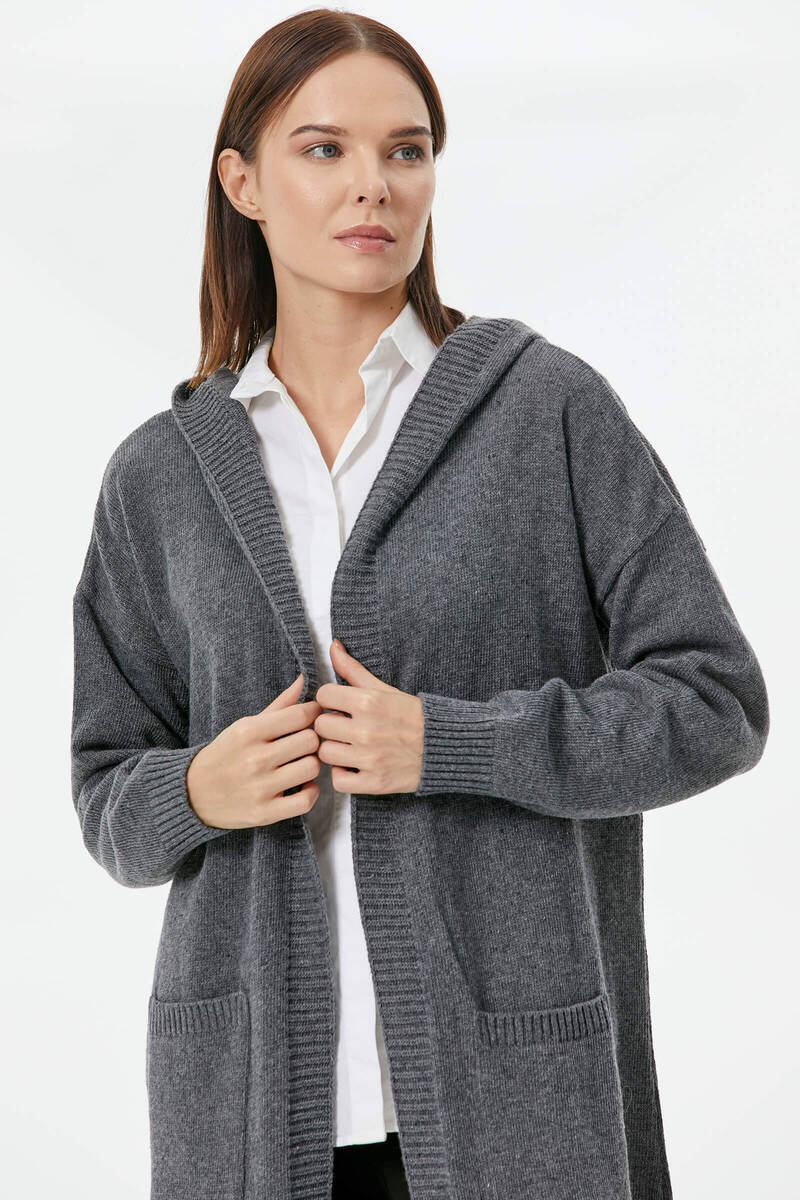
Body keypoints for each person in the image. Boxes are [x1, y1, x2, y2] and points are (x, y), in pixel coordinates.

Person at [70, 10, 770, 1200]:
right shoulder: (160, 475)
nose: (374, 186)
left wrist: (453, 743)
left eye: (406, 150)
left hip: (517, 1095)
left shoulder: (544, 411)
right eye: (323, 149)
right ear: (242, 183)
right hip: (247, 1109)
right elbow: (105, 791)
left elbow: (713, 703)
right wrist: (196, 789)